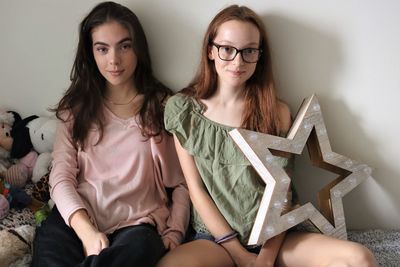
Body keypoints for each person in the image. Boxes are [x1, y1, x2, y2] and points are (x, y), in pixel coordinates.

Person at [157, 5, 378, 267]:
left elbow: (281, 193)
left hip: (275, 236)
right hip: (215, 239)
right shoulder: (184, 110)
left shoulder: (276, 112)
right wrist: (239, 255)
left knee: (359, 259)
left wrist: (265, 258)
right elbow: (196, 189)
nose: (237, 61)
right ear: (210, 51)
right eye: (227, 49)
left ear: (259, 56)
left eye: (249, 51)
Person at [31, 2, 189, 266]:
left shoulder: (162, 107)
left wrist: (176, 230)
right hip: (79, 218)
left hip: (138, 226)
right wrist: (87, 232)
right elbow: (60, 177)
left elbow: (182, 182)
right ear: (91, 52)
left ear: (138, 48)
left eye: (124, 46)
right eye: (102, 49)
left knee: (140, 248)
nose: (114, 60)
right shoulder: (75, 109)